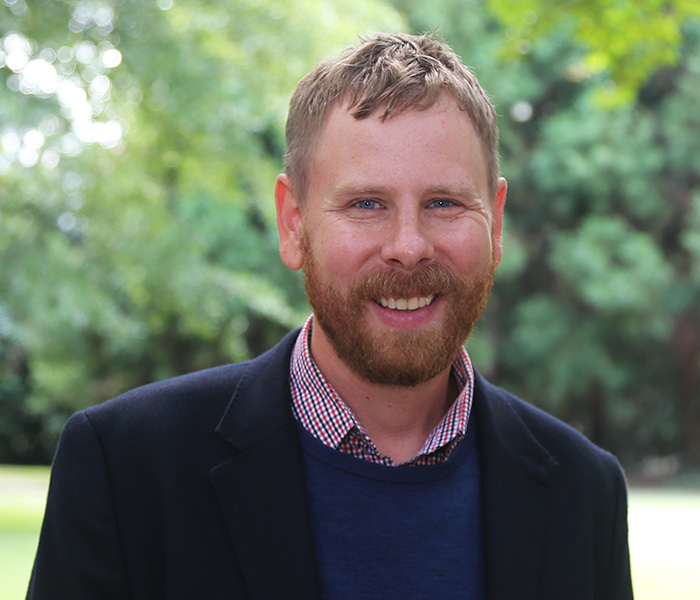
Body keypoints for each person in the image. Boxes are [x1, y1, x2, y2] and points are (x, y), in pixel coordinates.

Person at [28, 32, 632, 600]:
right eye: (366, 203)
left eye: (444, 203)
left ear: (496, 224)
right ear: (293, 223)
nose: (409, 244)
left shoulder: (584, 492)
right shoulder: (126, 469)